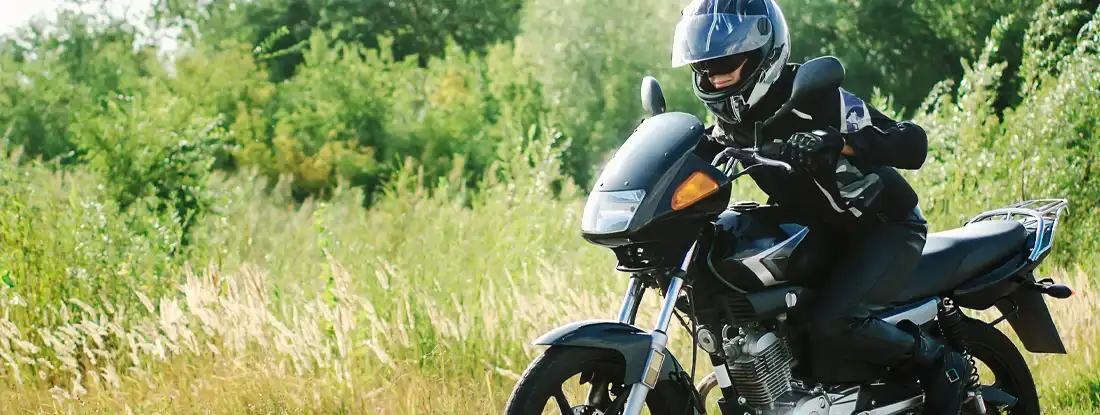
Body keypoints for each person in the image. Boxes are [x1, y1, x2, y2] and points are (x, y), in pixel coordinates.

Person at [670, 0, 972, 413]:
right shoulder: (729, 123)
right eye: (704, 67)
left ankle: (940, 362)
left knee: (833, 323)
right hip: (816, 232)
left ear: (761, 55)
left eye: (725, 63)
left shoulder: (812, 97)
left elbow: (913, 144)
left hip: (883, 227)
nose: (713, 75)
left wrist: (841, 142)